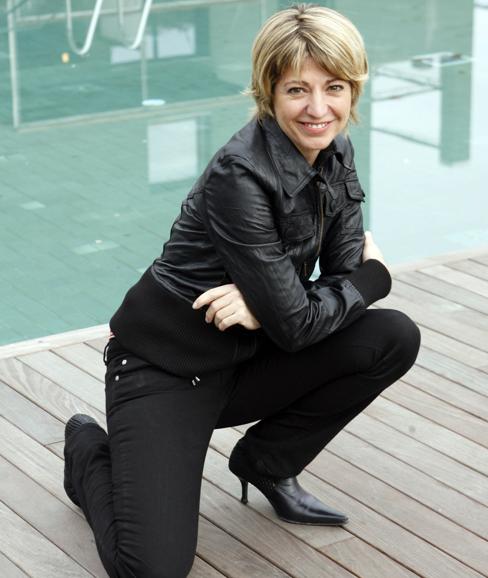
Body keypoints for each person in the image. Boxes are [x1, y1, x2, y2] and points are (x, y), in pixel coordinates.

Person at [63, 4, 421, 578]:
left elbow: (327, 289)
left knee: (392, 336)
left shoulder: (336, 151)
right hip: (168, 369)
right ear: (269, 93)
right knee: (152, 570)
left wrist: (270, 305)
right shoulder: (240, 173)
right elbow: (321, 306)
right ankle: (88, 452)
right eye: (297, 90)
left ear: (353, 89)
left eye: (334, 88)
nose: (319, 109)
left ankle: (266, 461)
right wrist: (373, 278)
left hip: (251, 356)